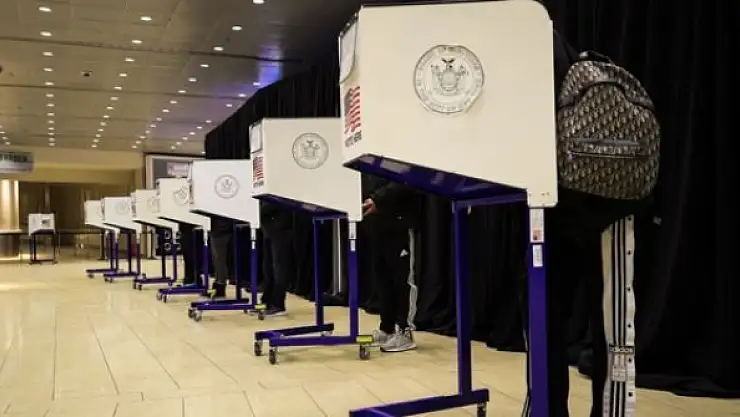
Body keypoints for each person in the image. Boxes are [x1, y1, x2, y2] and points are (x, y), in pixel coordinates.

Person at [362, 174, 421, 353]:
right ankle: (387, 328)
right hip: (377, 225)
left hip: (399, 223)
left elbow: (404, 180)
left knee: (402, 280)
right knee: (382, 280)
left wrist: (377, 199)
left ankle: (404, 331)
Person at [259, 201, 296, 317]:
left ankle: (278, 304)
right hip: (268, 228)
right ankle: (267, 301)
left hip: (280, 228)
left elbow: (274, 201)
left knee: (279, 268)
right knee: (268, 268)